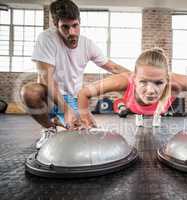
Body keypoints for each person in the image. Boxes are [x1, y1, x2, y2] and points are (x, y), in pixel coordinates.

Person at [20, 0, 129, 149]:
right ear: (56, 24)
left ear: (79, 23)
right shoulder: (46, 39)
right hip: (49, 95)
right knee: (29, 92)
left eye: (75, 26)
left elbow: (113, 67)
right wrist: (66, 110)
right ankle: (49, 128)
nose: (71, 32)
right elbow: (47, 78)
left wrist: (141, 77)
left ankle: (60, 121)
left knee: (86, 133)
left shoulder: (87, 44)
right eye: (65, 27)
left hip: (72, 97)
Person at [78, 48, 187, 130]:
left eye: (159, 83)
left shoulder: (176, 82)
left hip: (160, 108)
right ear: (134, 78)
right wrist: (87, 120)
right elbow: (83, 93)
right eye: (143, 82)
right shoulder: (123, 80)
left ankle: (155, 113)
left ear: (167, 79)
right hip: (132, 106)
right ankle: (141, 114)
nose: (151, 90)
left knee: (157, 109)